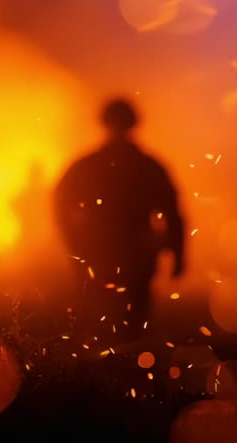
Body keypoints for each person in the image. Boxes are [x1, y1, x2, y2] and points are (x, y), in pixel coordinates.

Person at [53, 98, 185, 341]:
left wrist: (74, 244)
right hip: (135, 257)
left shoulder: (88, 166)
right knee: (132, 327)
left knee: (96, 326)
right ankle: (129, 371)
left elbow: (60, 205)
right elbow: (172, 211)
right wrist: (177, 253)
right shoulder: (148, 166)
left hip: (98, 256)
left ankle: (99, 374)